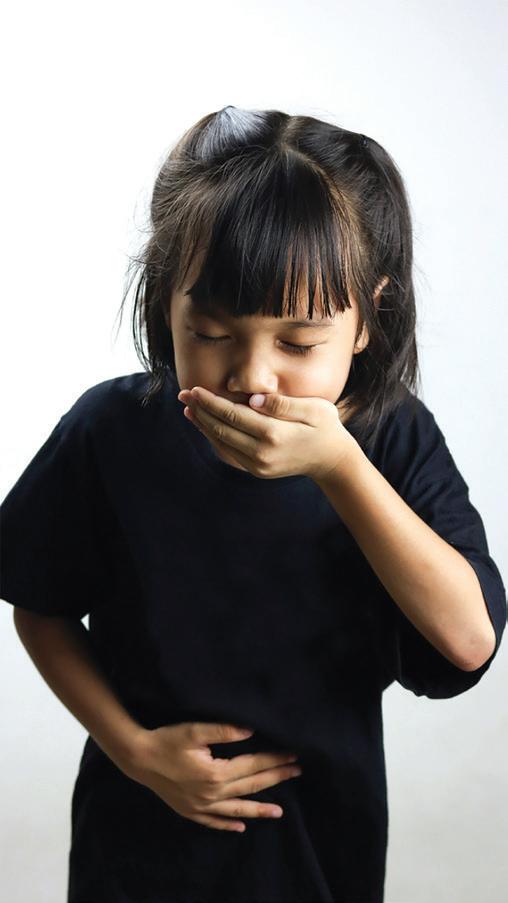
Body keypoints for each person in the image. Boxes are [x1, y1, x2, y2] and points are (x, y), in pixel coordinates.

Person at [1, 105, 506, 903]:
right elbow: (40, 604)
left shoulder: (389, 439)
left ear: (368, 320)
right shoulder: (112, 429)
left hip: (318, 849)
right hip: (137, 838)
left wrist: (340, 467)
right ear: (166, 302)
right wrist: (134, 749)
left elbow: (468, 639)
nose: (252, 376)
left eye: (298, 343)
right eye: (210, 332)